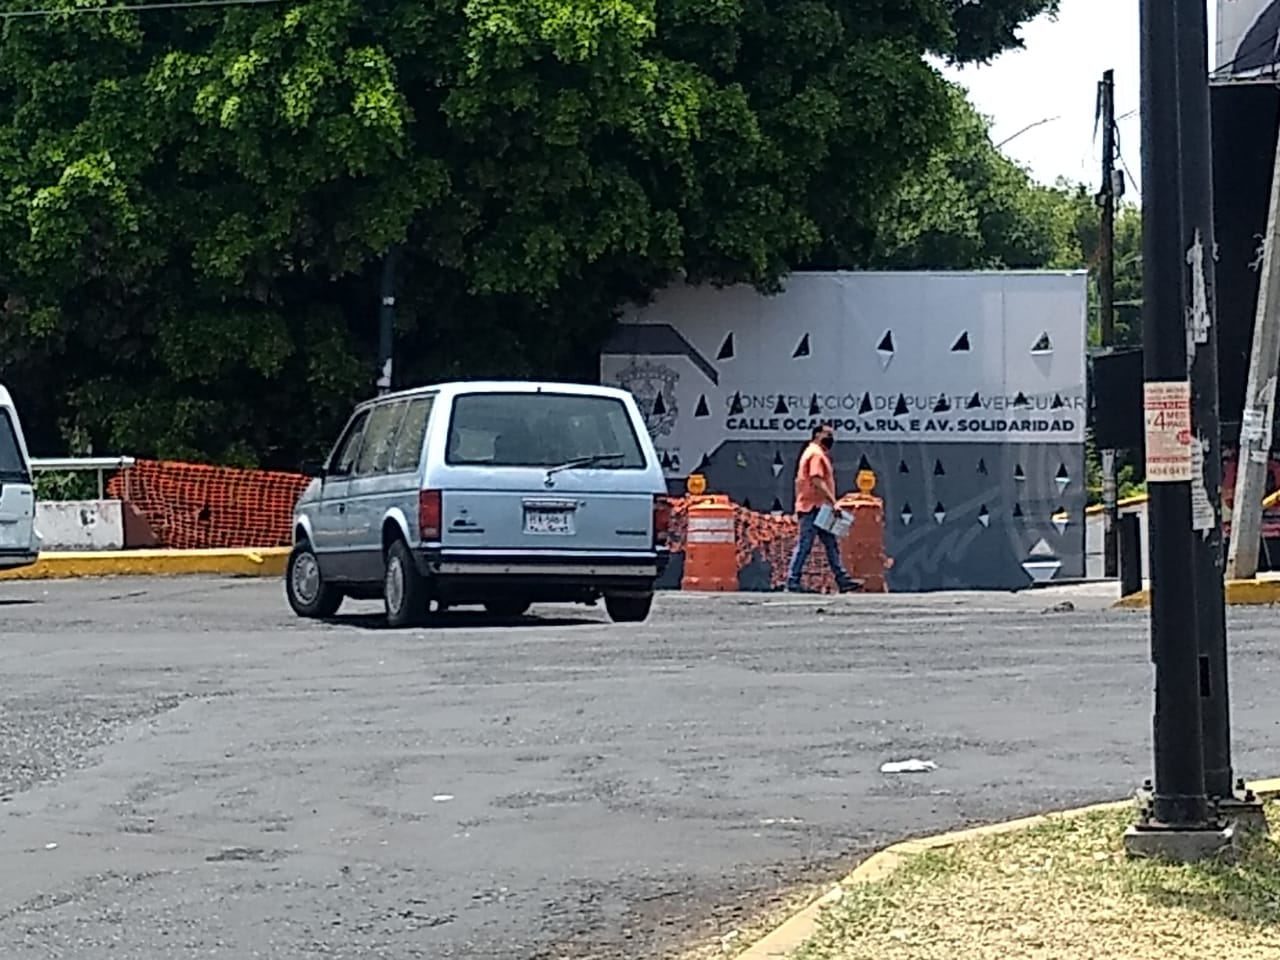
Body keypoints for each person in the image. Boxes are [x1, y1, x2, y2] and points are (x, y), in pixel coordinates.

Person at [785, 424, 862, 593]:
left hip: (817, 506)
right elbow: (817, 479)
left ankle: (842, 579)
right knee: (805, 544)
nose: (831, 438)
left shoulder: (812, 452)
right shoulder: (816, 455)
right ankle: (792, 581)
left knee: (830, 543)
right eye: (827, 434)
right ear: (817, 434)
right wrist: (833, 501)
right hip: (813, 506)